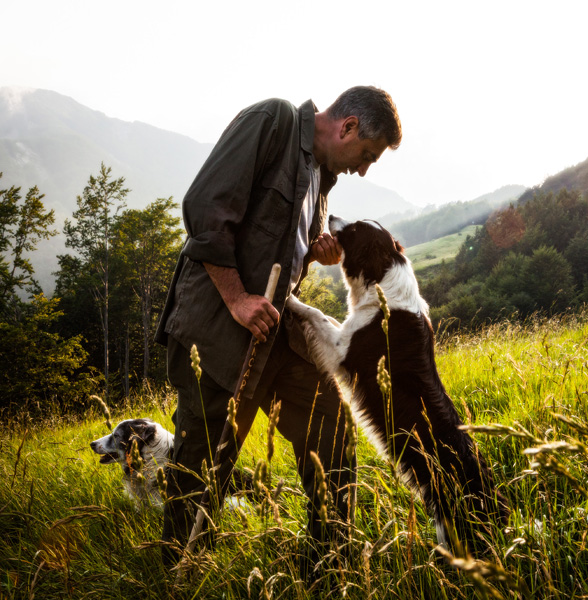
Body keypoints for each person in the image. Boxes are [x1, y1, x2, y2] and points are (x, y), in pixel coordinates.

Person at [154, 86, 402, 572]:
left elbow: (283, 246)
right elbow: (205, 207)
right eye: (367, 155)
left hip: (273, 333)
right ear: (348, 126)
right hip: (218, 330)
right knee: (203, 462)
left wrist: (315, 250)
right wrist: (236, 298)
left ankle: (329, 562)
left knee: (329, 415)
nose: (364, 169)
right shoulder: (272, 123)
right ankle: (180, 571)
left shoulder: (322, 180)